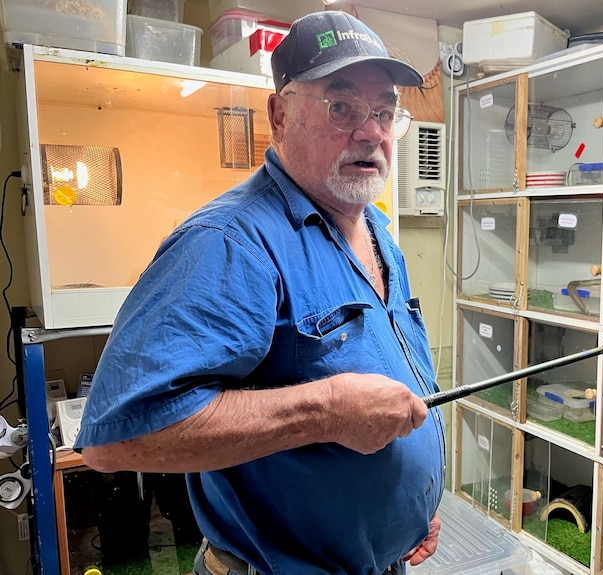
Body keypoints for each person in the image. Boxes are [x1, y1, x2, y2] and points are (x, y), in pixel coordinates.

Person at [75, 10, 445, 575]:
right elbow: (116, 440)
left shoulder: (376, 233)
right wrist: (325, 411)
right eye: (341, 106)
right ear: (280, 112)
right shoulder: (230, 242)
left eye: (383, 110)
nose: (371, 131)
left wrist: (412, 503)